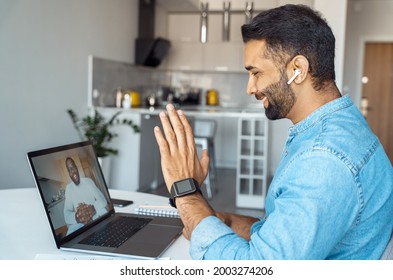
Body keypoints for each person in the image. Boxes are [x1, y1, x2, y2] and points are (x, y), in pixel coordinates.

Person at [153, 4, 393, 259]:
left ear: (297, 70)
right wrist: (214, 220)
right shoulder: (340, 127)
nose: (250, 87)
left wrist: (186, 192)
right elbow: (288, 235)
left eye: (256, 73)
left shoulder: (324, 159)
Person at [63, 157, 109, 234]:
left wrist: (92, 209)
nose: (73, 172)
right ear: (68, 173)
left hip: (95, 217)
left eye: (73, 167)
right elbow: (66, 215)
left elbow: (102, 199)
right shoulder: (69, 188)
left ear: (77, 168)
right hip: (81, 224)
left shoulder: (88, 181)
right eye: (69, 169)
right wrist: (78, 216)